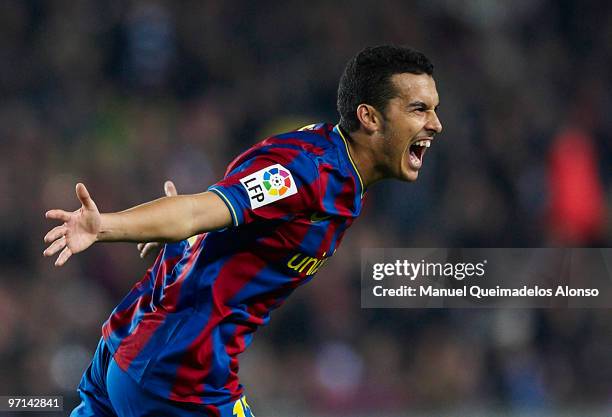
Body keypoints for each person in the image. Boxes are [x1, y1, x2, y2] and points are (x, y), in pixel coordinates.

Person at [43, 45, 442, 417]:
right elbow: (200, 210)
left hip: (132, 349)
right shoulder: (309, 174)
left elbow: (228, 222)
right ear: (369, 117)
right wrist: (107, 226)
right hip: (176, 375)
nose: (435, 124)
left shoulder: (331, 166)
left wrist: (184, 242)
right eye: (418, 109)